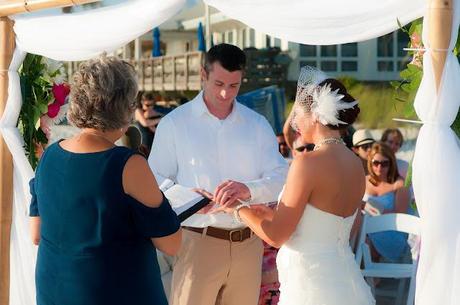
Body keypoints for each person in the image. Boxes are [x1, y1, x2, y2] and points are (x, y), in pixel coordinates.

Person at [29, 56, 182, 305]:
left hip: (54, 292)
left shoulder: (49, 157)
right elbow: (172, 243)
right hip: (112, 293)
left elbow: (36, 234)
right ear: (124, 107)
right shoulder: (127, 164)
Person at [220, 67, 375, 305]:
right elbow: (330, 224)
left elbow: (276, 235)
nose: (294, 123)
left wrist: (237, 210)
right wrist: (264, 210)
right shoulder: (356, 163)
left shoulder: (307, 163)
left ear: (314, 115)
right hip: (346, 280)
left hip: (311, 286)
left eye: (297, 114)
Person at [148, 43, 288, 305]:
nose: (225, 93)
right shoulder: (174, 124)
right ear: (204, 74)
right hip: (196, 242)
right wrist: (191, 199)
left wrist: (248, 189)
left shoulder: (257, 125)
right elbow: (154, 180)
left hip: (249, 243)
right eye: (219, 83)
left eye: (234, 86)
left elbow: (281, 177)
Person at [364, 142, 411, 261]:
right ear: (370, 162)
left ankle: (369, 276)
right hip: (366, 229)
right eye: (376, 163)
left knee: (362, 238)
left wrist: (370, 208)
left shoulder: (399, 185)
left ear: (391, 163)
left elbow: (400, 216)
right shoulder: (363, 181)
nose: (379, 168)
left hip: (391, 231)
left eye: (384, 163)